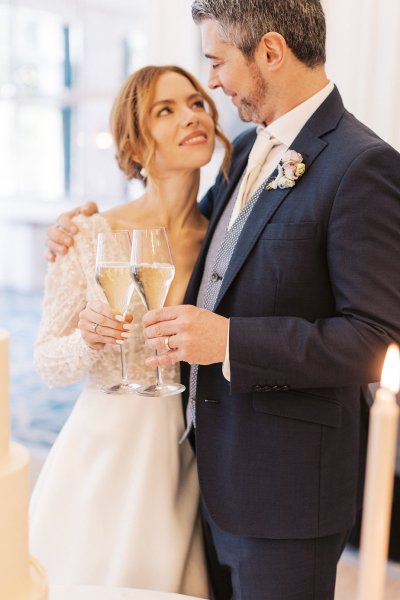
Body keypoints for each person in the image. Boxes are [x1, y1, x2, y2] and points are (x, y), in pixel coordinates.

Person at [46, 1, 400, 598]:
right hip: (202, 478)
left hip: (286, 497)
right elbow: (200, 245)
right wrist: (82, 225)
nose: (212, 83)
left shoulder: (362, 165)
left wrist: (227, 340)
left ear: (269, 51)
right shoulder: (244, 152)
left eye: (217, 62)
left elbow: (374, 338)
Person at [31, 64, 231, 596]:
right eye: (165, 110)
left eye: (195, 103)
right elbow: (47, 362)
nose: (192, 116)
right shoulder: (88, 233)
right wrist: (87, 337)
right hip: (100, 458)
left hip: (180, 456)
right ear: (134, 146)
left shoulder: (227, 243)